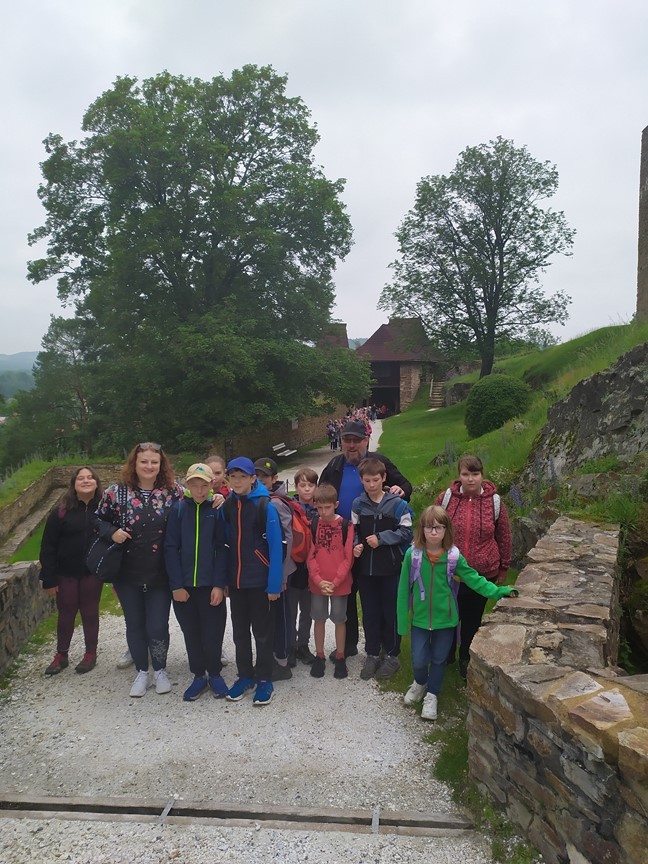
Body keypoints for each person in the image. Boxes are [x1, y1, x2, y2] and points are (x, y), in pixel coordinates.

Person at [397, 506, 518, 720]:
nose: (433, 532)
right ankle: (420, 683)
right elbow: (403, 589)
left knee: (439, 659)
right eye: (429, 527)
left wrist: (498, 591)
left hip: (446, 620)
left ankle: (432, 695)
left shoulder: (453, 557)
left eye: (439, 527)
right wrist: (401, 622)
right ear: (421, 529)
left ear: (446, 530)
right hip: (420, 620)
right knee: (418, 659)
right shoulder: (412, 555)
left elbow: (474, 579)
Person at [319, 419, 413, 657]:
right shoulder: (334, 466)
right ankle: (350, 642)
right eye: (346, 440)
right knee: (347, 593)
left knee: (378, 596)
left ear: (366, 440)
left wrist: (401, 490)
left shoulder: (378, 463)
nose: (351, 445)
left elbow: (405, 485)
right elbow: (321, 495)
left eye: (356, 440)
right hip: (343, 542)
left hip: (373, 543)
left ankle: (382, 644)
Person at [95, 442, 183, 698]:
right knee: (134, 624)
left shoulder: (173, 491)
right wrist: (112, 532)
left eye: (154, 462)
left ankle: (160, 670)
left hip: (161, 573)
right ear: (134, 463)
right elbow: (97, 519)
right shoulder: (116, 493)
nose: (149, 466)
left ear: (161, 465)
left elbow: (196, 503)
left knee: (157, 626)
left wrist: (217, 497)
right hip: (127, 573)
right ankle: (142, 671)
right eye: (143, 461)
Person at [436, 455, 512, 678]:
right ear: (459, 476)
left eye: (475, 474)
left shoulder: (494, 502)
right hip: (450, 573)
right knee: (448, 615)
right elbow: (432, 527)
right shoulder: (446, 499)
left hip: (483, 573)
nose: (470, 479)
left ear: (482, 476)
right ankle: (446, 654)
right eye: (466, 474)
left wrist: (504, 566)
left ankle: (466, 658)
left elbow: (504, 535)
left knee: (472, 619)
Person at [221, 457, 283, 706]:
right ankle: (245, 675)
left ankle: (265, 678)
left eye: (242, 477)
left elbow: (276, 547)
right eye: (233, 477)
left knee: (263, 633)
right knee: (239, 633)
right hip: (237, 582)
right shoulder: (228, 505)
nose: (237, 482)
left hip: (259, 581)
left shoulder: (265, 506)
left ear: (253, 478)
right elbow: (226, 544)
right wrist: (226, 580)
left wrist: (274, 584)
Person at [164, 463, 228, 701]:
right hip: (184, 588)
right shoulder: (179, 510)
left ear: (212, 485)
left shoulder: (218, 509)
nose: (200, 491)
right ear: (187, 485)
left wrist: (219, 584)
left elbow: (222, 548)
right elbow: (170, 548)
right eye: (195, 485)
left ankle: (215, 674)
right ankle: (199, 675)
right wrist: (176, 585)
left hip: (210, 585)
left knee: (213, 632)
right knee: (191, 633)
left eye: (204, 485)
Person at [351, 457, 413, 680]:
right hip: (366, 570)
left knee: (391, 612)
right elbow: (354, 531)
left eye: (375, 480)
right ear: (361, 480)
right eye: (367, 480)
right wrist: (355, 546)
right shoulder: (358, 505)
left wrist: (382, 538)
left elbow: (407, 532)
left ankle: (392, 654)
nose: (371, 484)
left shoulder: (397, 504)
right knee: (370, 612)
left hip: (391, 568)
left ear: (384, 478)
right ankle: (372, 653)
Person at [39, 466, 104, 676]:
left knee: (90, 611)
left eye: (90, 477)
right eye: (80, 478)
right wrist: (48, 578)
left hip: (92, 571)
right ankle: (61, 654)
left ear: (96, 483)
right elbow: (48, 546)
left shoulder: (104, 510)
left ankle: (90, 653)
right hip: (65, 572)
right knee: (66, 612)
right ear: (74, 484)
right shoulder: (61, 512)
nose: (86, 481)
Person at [254, 456, 295, 682]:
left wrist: (282, 575)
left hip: (279, 573)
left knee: (281, 617)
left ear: (275, 478)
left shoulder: (277, 503)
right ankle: (272, 656)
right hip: (266, 571)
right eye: (257, 475)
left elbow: (287, 540)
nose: (260, 479)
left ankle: (282, 661)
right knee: (268, 617)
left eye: (265, 476)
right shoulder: (258, 499)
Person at [307, 483, 354, 679]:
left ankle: (340, 656)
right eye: (319, 508)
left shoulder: (346, 525)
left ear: (336, 504)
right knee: (318, 618)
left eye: (327, 507)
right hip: (317, 583)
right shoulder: (313, 525)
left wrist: (335, 581)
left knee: (339, 618)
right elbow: (310, 556)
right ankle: (319, 655)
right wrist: (318, 580)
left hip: (339, 583)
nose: (324, 512)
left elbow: (348, 557)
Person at [289, 467, 318, 665]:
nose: (307, 489)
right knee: (291, 609)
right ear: (296, 486)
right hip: (293, 566)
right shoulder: (289, 507)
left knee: (307, 610)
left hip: (312, 567)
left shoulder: (321, 508)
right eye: (302, 485)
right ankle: (290, 645)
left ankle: (303, 644)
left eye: (311, 485)